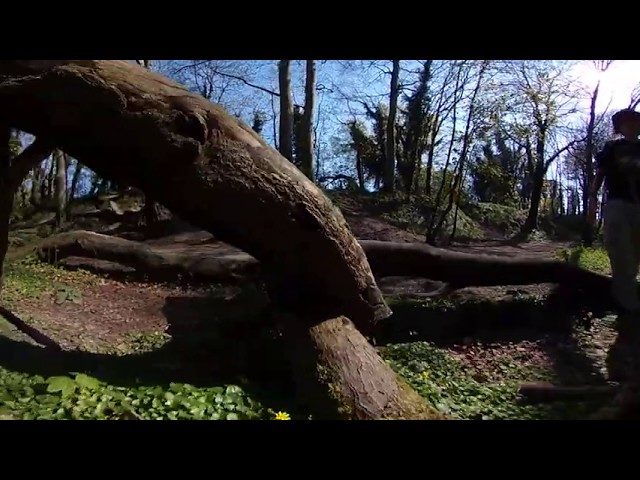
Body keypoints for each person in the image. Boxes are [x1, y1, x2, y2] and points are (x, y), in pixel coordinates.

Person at [589, 108, 640, 321]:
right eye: (626, 123)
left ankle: (631, 298)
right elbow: (600, 175)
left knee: (636, 253)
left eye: (635, 122)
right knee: (620, 252)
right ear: (619, 127)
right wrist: (592, 199)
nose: (631, 126)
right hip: (617, 203)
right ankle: (626, 307)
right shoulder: (612, 148)